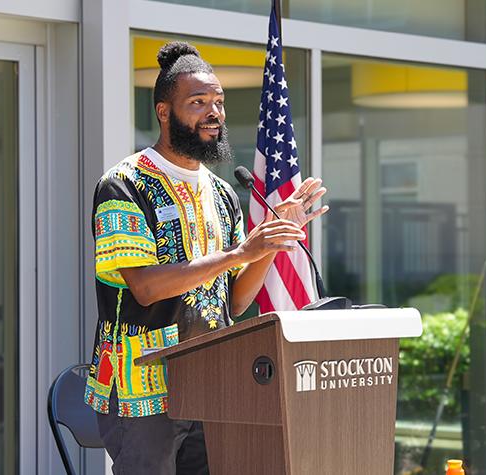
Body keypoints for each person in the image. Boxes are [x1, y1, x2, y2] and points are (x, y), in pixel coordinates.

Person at [84, 41, 328, 474]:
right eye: (198, 102)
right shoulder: (124, 185)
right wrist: (239, 251)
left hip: (211, 383)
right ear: (164, 111)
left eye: (218, 102)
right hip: (142, 389)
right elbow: (144, 286)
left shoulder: (221, 193)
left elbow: (233, 302)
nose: (213, 112)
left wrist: (269, 244)